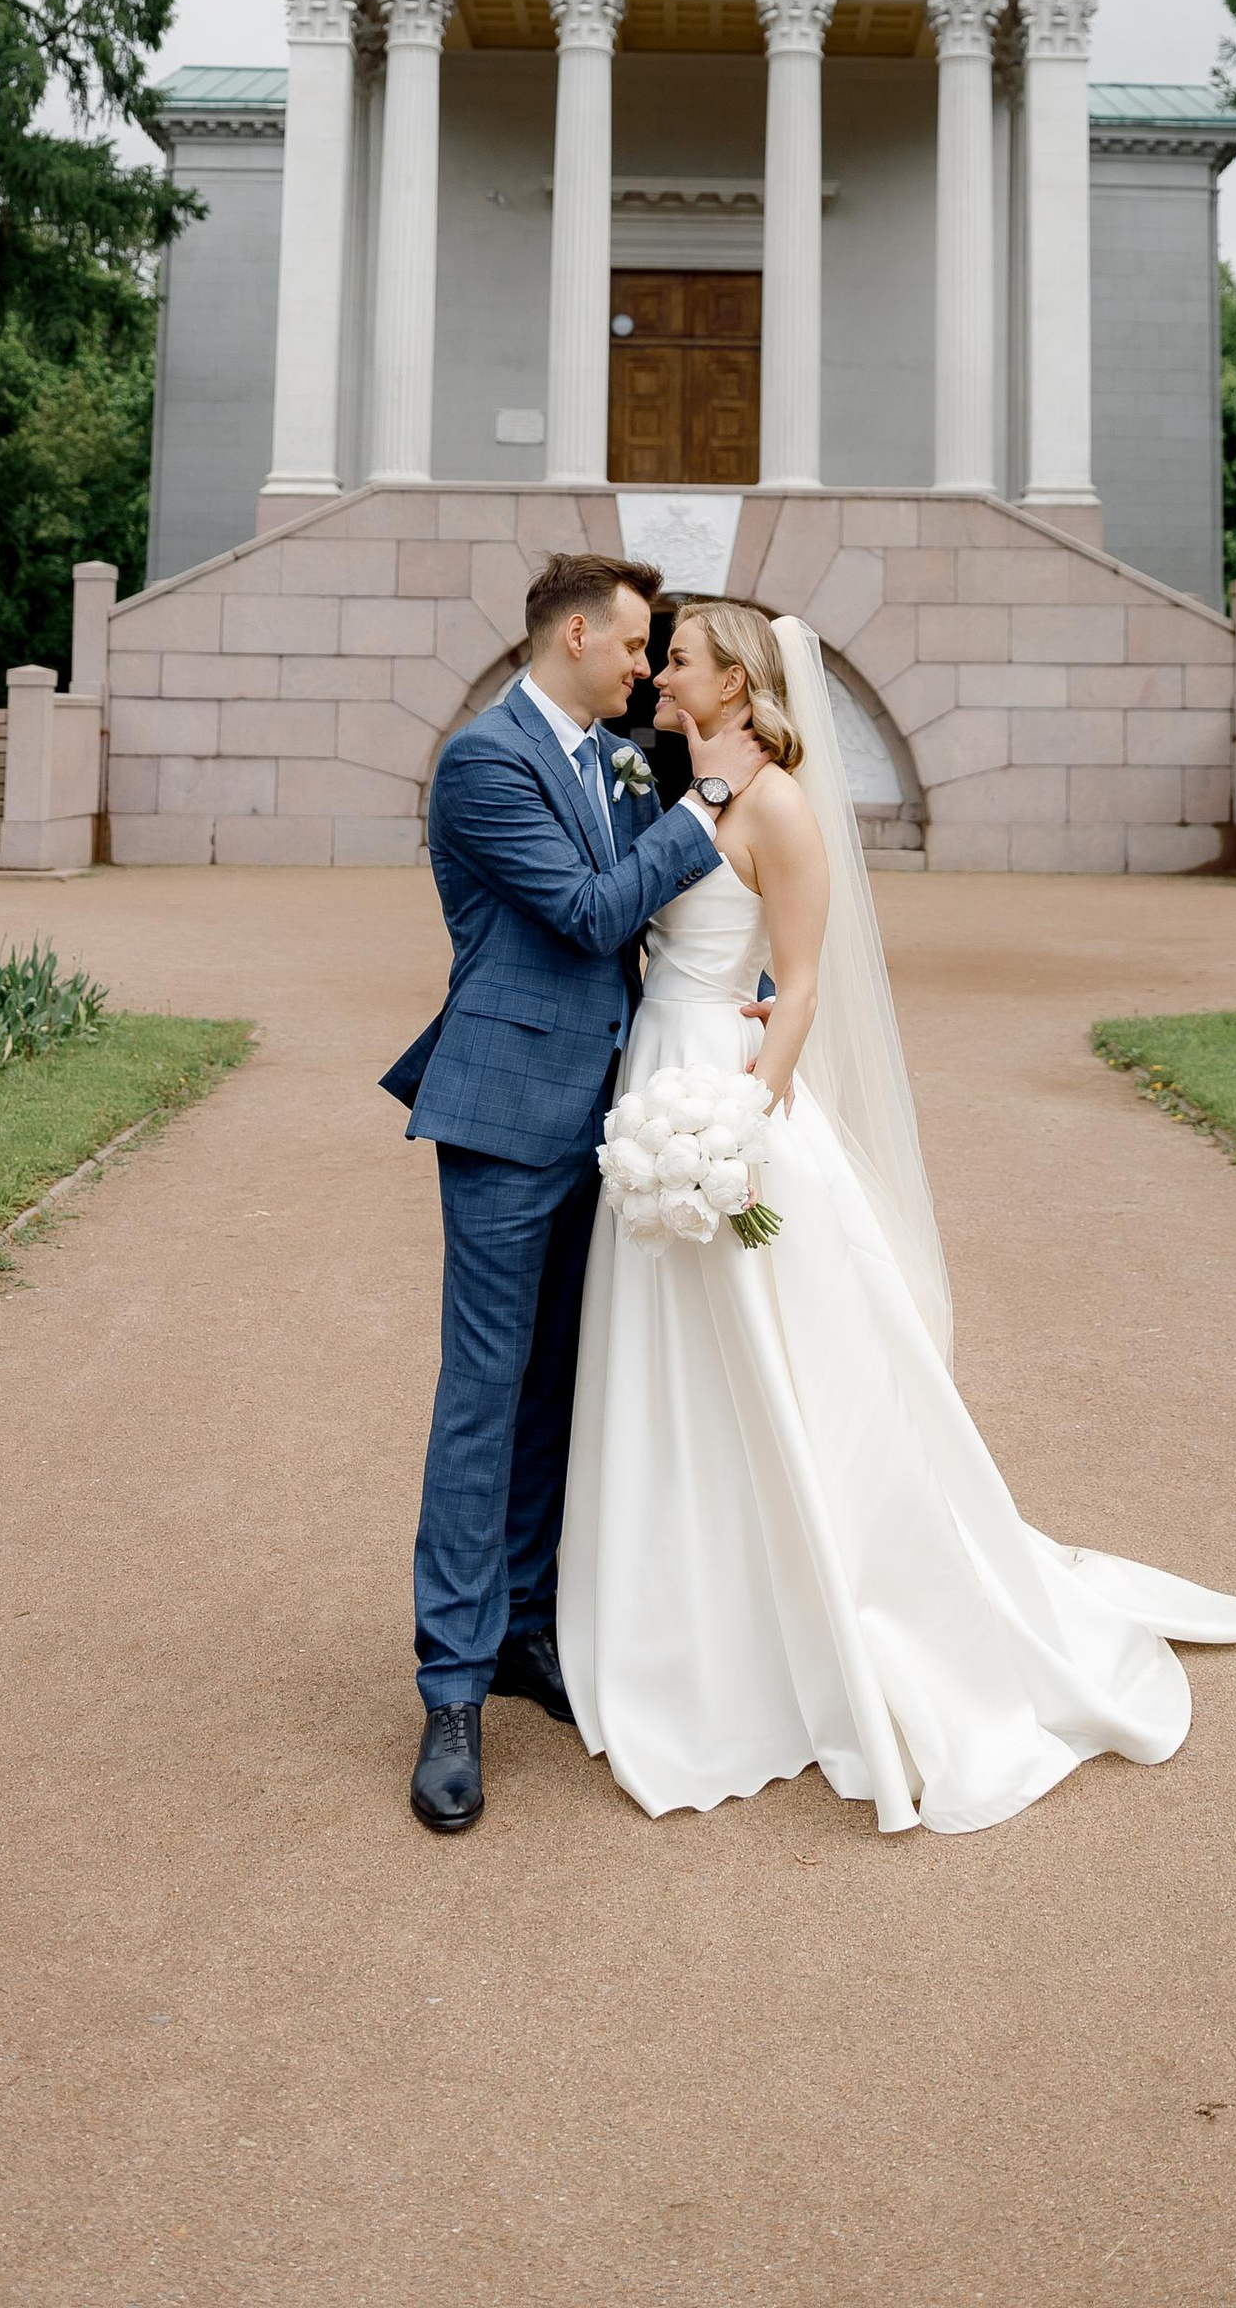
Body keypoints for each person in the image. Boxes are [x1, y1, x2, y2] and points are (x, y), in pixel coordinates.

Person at [556, 600, 1236, 1836]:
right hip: (656, 1081)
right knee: (668, 1361)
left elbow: (800, 981)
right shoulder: (673, 782)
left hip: (724, 1104)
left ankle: (828, 1628)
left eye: (677, 659)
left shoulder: (778, 804)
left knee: (781, 1363)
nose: (659, 672)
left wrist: (746, 1117)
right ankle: (680, 1618)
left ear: (735, 682)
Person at [383, 550, 772, 1832]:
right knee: (484, 1395)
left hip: (608, 1113)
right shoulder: (485, 762)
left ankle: (525, 1632)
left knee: (558, 1382)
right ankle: (449, 1686)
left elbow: (654, 938)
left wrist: (731, 1003)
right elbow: (590, 914)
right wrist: (708, 795)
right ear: (570, 637)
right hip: (504, 1115)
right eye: (631, 645)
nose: (643, 667)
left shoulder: (602, 755)